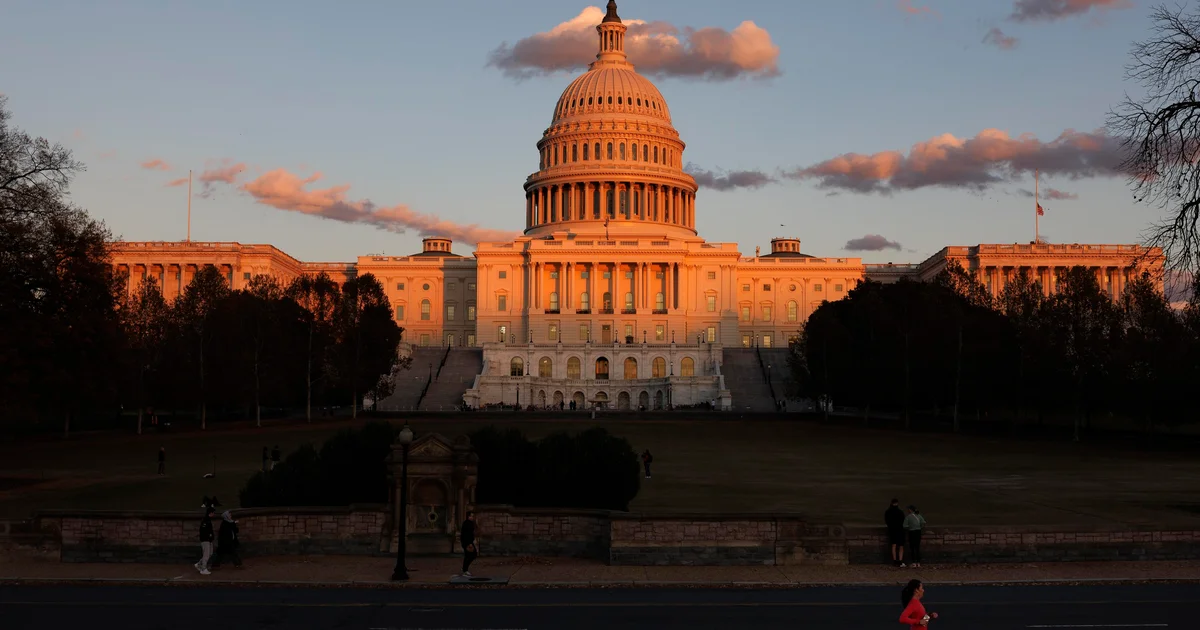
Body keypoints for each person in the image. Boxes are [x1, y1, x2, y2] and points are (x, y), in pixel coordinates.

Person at [885, 499, 906, 567]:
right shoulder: (900, 512)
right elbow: (903, 520)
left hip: (892, 530)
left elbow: (887, 521)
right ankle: (900, 560)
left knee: (893, 545)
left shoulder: (888, 512)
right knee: (901, 545)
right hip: (900, 529)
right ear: (897, 503)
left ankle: (894, 560)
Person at [195, 507, 215, 575]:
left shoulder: (208, 520)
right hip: (205, 540)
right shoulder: (205, 520)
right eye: (213, 513)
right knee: (206, 554)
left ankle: (199, 564)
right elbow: (203, 531)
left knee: (210, 553)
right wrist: (209, 536)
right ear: (210, 513)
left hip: (209, 540)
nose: (214, 514)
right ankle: (203, 569)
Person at [459, 511, 477, 577]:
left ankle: (465, 569)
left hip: (468, 542)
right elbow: (466, 534)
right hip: (467, 542)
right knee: (471, 555)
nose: (472, 517)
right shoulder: (467, 523)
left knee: (470, 555)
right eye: (470, 516)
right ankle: (465, 570)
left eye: (472, 516)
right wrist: (469, 543)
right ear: (468, 516)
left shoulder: (470, 523)